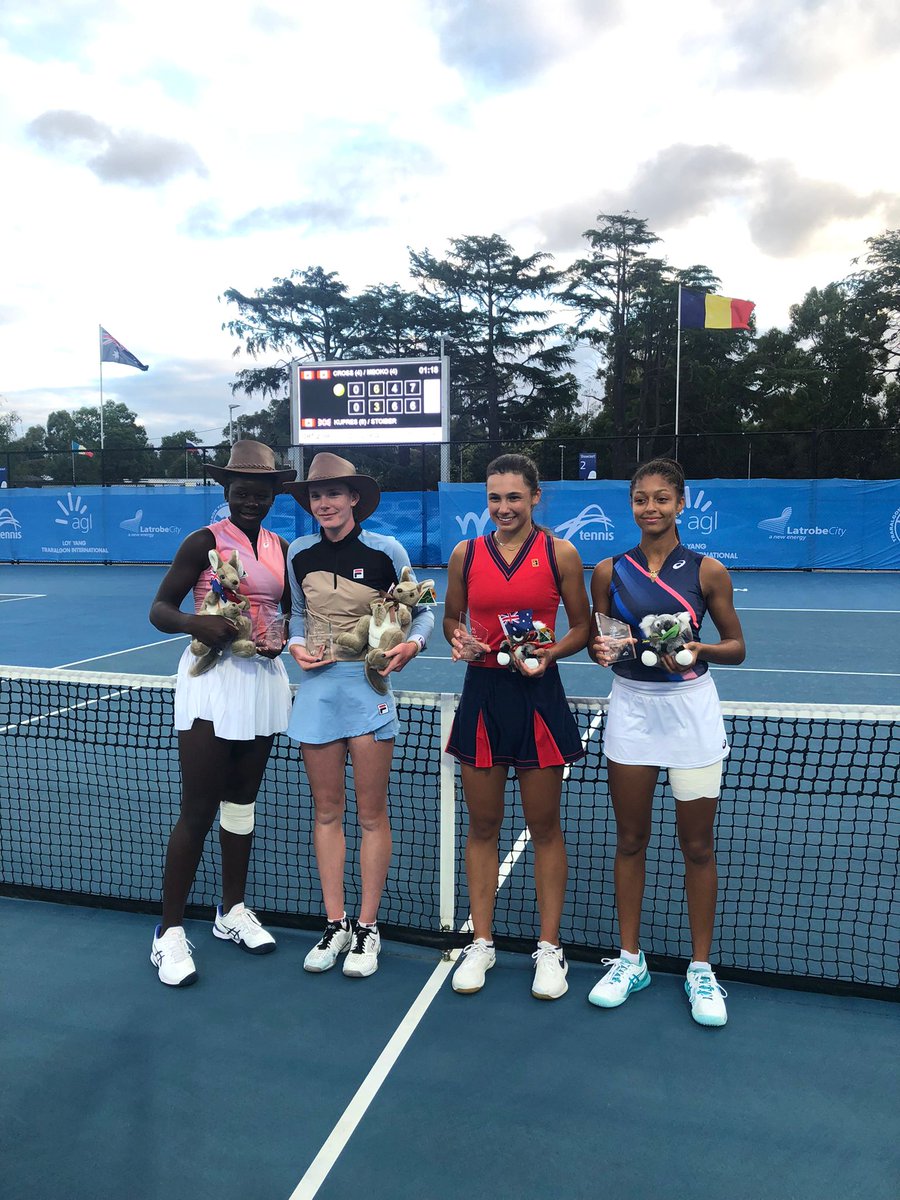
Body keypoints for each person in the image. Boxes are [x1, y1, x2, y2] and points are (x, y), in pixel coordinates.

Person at [587, 458, 746, 1027]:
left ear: (681, 503)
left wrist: (700, 649)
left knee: (697, 847)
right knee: (630, 840)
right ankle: (631, 959)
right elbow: (600, 642)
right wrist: (602, 652)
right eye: (640, 499)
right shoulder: (607, 570)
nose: (650, 508)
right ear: (630, 505)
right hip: (631, 711)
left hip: (691, 715)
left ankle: (701, 969)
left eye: (661, 499)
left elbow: (737, 646)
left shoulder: (708, 572)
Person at [148, 441, 296, 987]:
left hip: (260, 680)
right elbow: (159, 609)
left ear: (274, 494)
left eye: (260, 492)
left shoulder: (281, 546)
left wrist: (278, 639)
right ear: (226, 492)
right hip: (211, 682)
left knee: (242, 802)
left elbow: (278, 611)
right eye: (241, 492)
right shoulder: (203, 542)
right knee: (198, 807)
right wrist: (195, 624)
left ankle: (231, 910)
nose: (251, 500)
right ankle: (167, 935)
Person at [443, 453, 590, 1000]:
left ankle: (549, 950)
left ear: (534, 497)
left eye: (513, 497)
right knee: (482, 828)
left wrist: (551, 655)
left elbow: (583, 626)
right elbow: (452, 619)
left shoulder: (561, 552)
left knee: (545, 827)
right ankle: (482, 942)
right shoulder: (467, 553)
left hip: (538, 696)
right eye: (494, 498)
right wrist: (460, 638)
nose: (503, 508)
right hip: (482, 696)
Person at [284, 453, 434, 979]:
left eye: (334, 494)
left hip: (369, 690)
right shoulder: (298, 552)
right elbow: (296, 616)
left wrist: (412, 644)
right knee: (326, 812)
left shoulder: (386, 551)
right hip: (317, 692)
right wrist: (296, 646)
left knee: (372, 815)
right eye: (316, 496)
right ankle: (336, 922)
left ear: (353, 499)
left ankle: (368, 928)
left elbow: (424, 608)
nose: (324, 503)